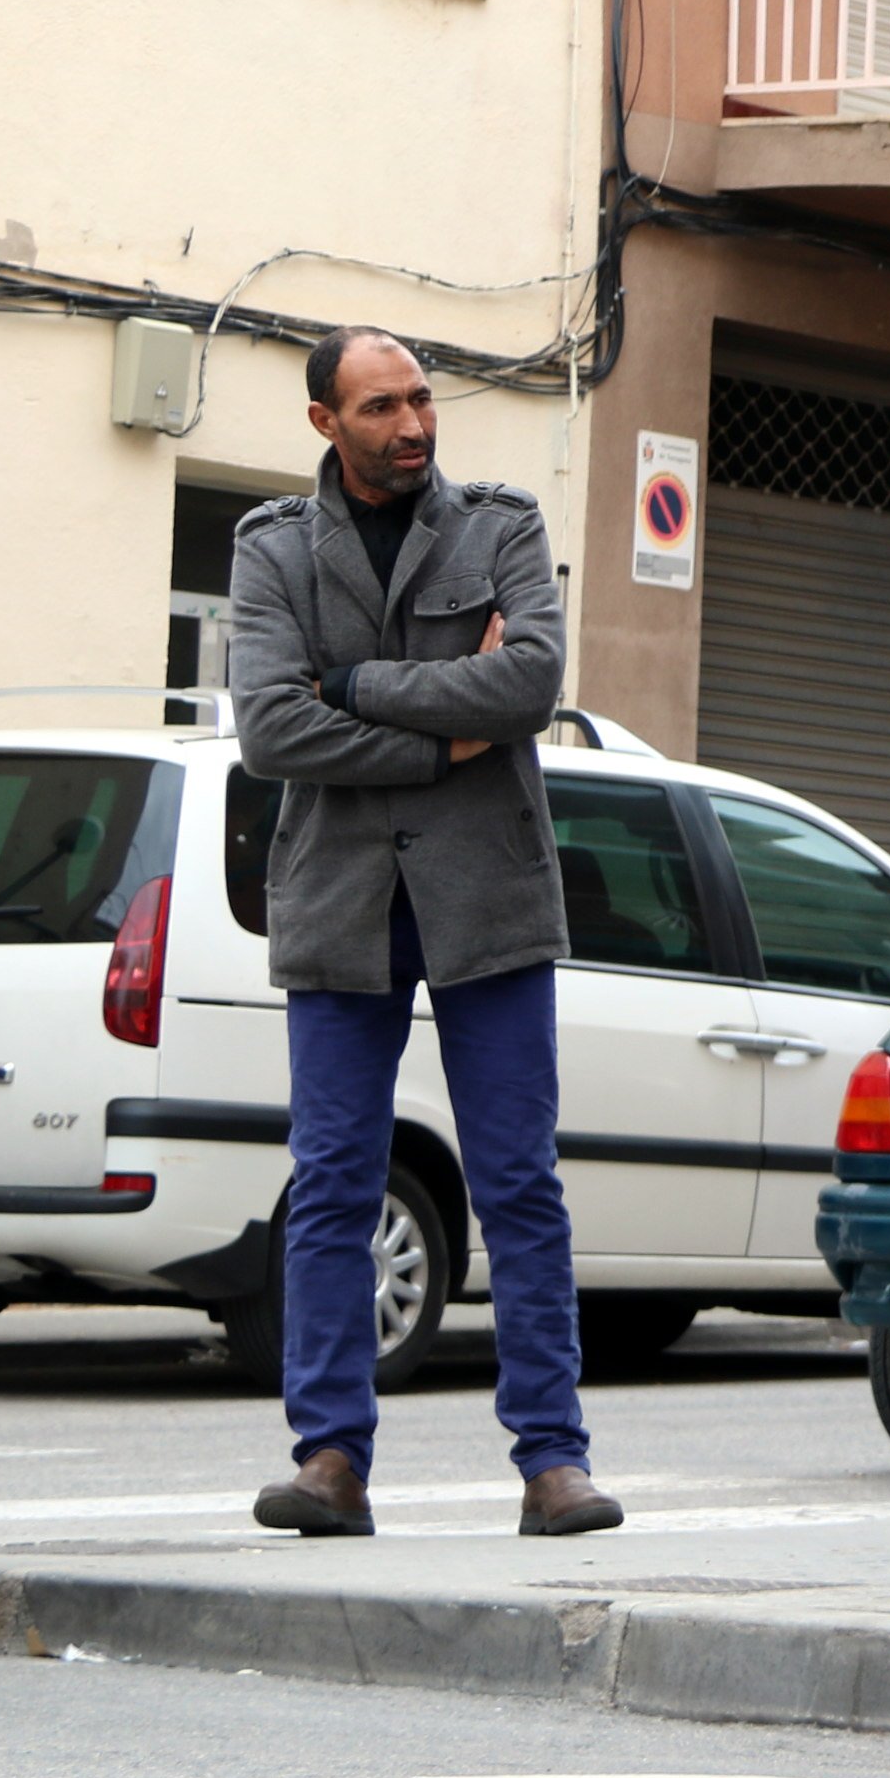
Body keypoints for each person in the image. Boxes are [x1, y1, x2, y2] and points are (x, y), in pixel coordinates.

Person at [226, 326, 616, 1539]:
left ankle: (554, 1461)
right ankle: (330, 1460)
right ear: (324, 423)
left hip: (487, 899)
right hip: (340, 901)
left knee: (518, 1184)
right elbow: (269, 731)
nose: (413, 426)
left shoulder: (501, 527)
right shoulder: (271, 548)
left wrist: (354, 686)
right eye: (383, 407)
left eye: (422, 400)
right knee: (336, 1182)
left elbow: (531, 687)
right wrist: (446, 731)